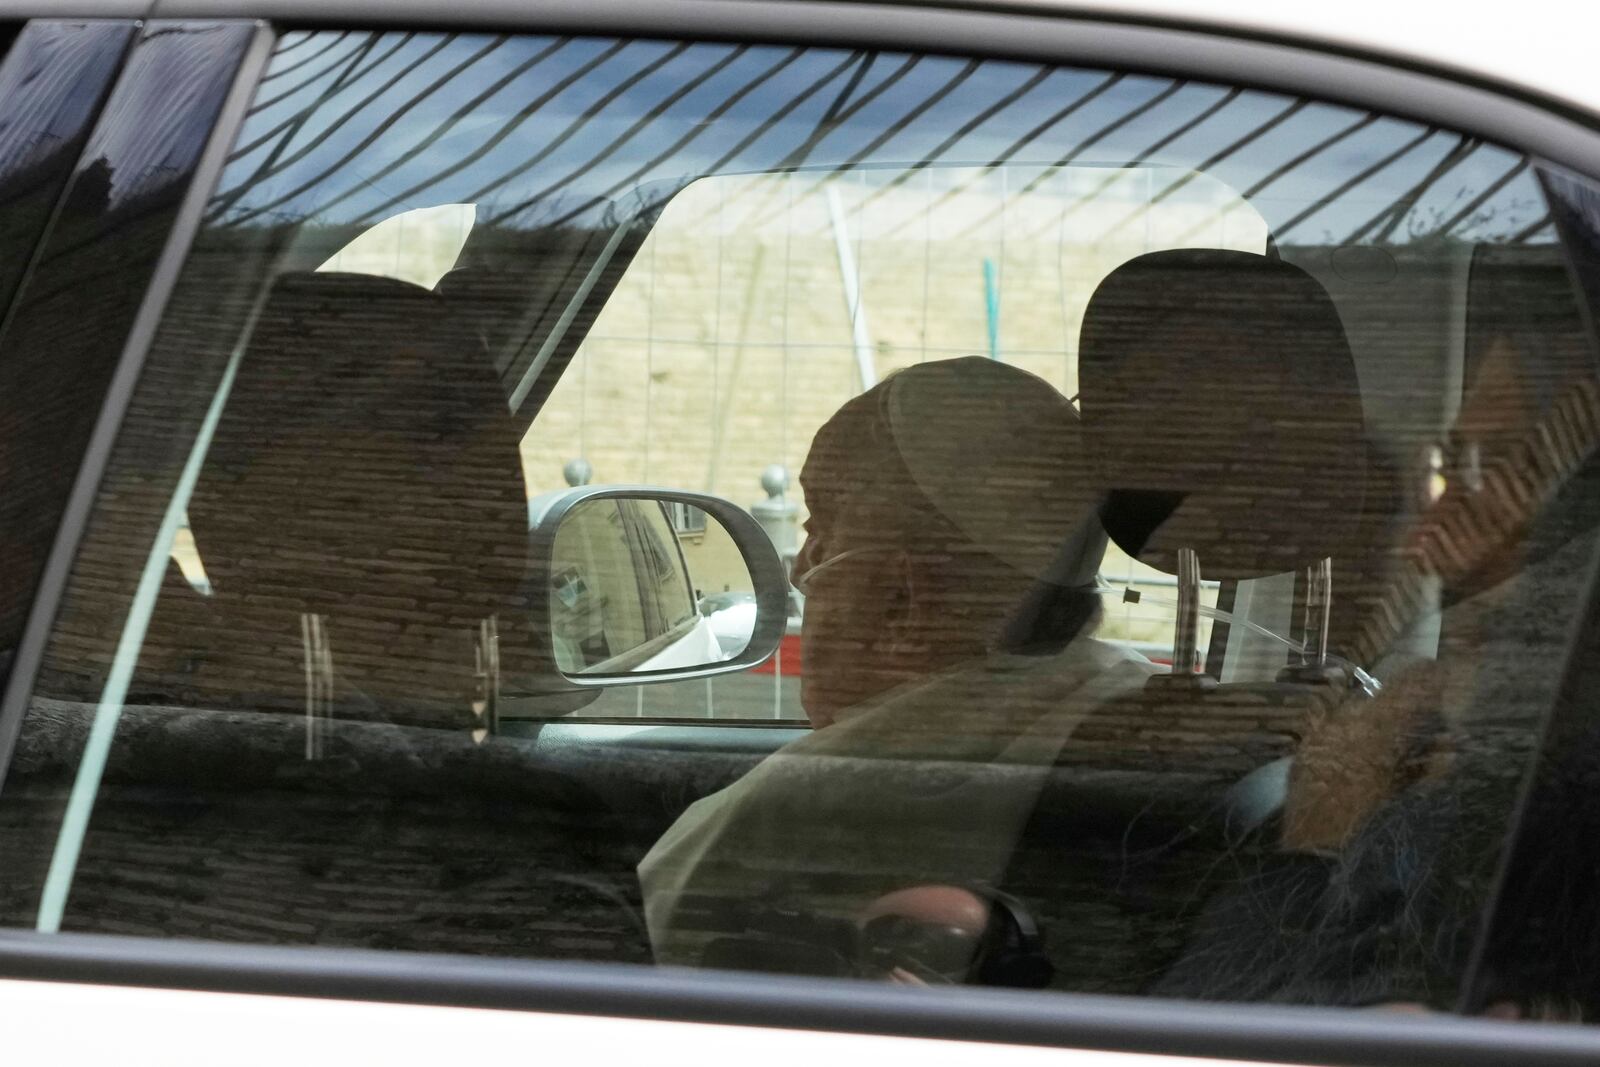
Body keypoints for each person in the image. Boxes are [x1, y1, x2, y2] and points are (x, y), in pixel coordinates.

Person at [639, 356, 1155, 972]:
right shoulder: (1129, 693)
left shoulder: (813, 801)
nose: (801, 570)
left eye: (824, 525)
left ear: (902, 603)